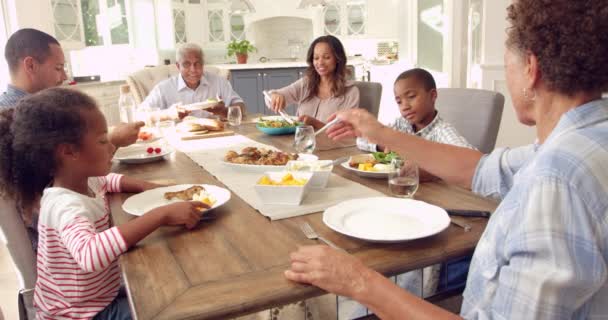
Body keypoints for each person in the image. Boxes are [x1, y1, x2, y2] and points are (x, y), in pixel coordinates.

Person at [285, 0, 608, 318]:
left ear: (530, 69)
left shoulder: (557, 181)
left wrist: (358, 280)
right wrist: (379, 131)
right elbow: (480, 169)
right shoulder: (583, 138)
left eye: (507, 63)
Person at [0, 88, 209, 319]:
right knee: (177, 309)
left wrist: (151, 188)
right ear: (69, 152)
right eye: (102, 140)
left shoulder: (83, 181)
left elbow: (110, 181)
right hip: (80, 314)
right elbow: (90, 254)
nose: (111, 147)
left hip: (98, 296)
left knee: (164, 283)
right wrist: (161, 215)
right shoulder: (63, 205)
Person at [0, 28, 143, 148]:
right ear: (30, 65)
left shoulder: (44, 106)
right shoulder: (11, 120)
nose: (64, 77)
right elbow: (53, 166)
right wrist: (111, 140)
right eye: (58, 68)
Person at [357, 68, 473, 153]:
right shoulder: (401, 124)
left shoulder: (442, 131)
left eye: (411, 96)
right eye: (399, 102)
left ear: (432, 96)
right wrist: (384, 145)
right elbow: (362, 139)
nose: (404, 106)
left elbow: (471, 159)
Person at [268, 35, 359, 130]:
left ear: (337, 59)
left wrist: (315, 124)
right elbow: (270, 98)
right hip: (301, 142)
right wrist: (275, 95)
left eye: (326, 57)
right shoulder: (306, 84)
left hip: (333, 145)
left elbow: (347, 134)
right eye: (316, 58)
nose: (320, 63)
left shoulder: (351, 92)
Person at [141, 43, 245, 119]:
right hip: (179, 139)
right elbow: (140, 115)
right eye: (186, 64)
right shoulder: (164, 88)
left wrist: (224, 111)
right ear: (178, 66)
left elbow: (241, 106)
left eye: (197, 63)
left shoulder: (219, 82)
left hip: (214, 135)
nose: (193, 70)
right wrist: (169, 114)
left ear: (203, 64)